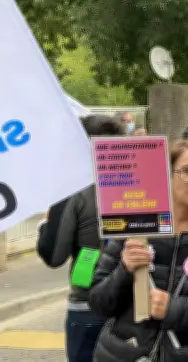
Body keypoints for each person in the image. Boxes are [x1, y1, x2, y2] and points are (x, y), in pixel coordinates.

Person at [89, 140, 188, 362]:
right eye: (187, 171)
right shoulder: (134, 227)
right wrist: (124, 269)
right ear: (166, 174)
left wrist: (174, 309)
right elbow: (98, 303)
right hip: (123, 353)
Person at [35, 115, 125, 362]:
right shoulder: (143, 184)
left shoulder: (71, 188)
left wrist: (46, 222)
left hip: (87, 306)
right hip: (135, 305)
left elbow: (54, 255)